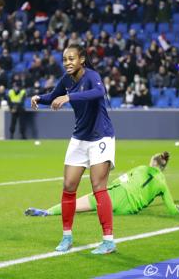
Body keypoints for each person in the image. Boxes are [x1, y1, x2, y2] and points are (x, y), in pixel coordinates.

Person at [30, 45, 116, 255]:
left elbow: (98, 92)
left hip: (100, 137)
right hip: (79, 138)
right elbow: (53, 96)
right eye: (65, 59)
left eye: (71, 59)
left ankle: (108, 240)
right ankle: (67, 236)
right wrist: (39, 98)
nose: (68, 62)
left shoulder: (92, 76)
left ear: (82, 60)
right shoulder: (66, 80)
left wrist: (70, 97)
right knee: (68, 186)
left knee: (98, 187)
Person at [25, 152, 179, 217]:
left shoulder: (142, 168)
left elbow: (121, 179)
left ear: (152, 161)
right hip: (129, 210)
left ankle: (47, 212)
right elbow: (171, 208)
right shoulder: (163, 184)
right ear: (163, 167)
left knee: (79, 203)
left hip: (118, 194)